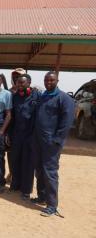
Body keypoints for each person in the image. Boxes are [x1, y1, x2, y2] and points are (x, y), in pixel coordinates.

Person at [32, 71, 75, 217]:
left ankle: (52, 205)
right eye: (46, 80)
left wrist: (56, 140)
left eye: (51, 80)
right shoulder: (43, 97)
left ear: (57, 81)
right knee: (39, 169)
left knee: (50, 172)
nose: (48, 83)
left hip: (51, 142)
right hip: (38, 140)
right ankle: (42, 197)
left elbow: (66, 122)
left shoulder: (64, 98)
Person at [9, 74, 41, 199]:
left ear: (29, 83)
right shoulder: (15, 97)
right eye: (18, 83)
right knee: (15, 160)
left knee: (28, 163)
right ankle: (15, 184)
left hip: (30, 135)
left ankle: (26, 190)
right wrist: (9, 134)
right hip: (17, 134)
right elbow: (12, 117)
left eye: (22, 83)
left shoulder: (37, 96)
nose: (20, 85)